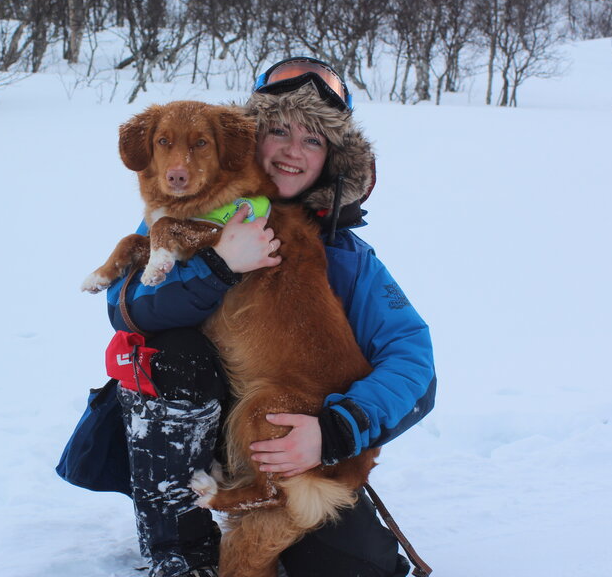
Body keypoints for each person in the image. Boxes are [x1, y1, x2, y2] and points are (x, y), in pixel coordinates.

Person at [57, 57, 437, 577]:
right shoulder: (185, 217)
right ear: (248, 140)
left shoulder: (348, 256)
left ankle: (262, 517)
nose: (290, 151)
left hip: (290, 434)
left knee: (358, 569)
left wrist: (334, 430)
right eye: (278, 130)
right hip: (189, 423)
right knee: (173, 349)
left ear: (332, 160)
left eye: (313, 140)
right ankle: (178, 548)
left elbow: (413, 361)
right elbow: (129, 310)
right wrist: (219, 266)